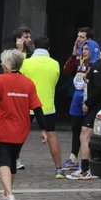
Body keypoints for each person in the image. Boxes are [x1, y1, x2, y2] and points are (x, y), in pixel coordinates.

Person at [0, 49, 43, 200]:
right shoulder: (28, 82)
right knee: (12, 162)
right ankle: (5, 194)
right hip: (21, 128)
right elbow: (37, 108)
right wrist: (44, 130)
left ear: (7, 64)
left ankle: (9, 194)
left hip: (3, 126)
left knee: (3, 161)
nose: (1, 64)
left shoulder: (0, 80)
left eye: (3, 61)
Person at [22, 36, 66, 176]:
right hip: (46, 105)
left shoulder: (26, 63)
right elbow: (55, 82)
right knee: (52, 135)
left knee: (18, 135)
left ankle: (9, 164)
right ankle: (59, 169)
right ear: (49, 49)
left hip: (27, 104)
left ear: (34, 47)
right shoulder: (55, 64)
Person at [64, 50, 101, 181]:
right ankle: (88, 168)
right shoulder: (93, 65)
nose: (84, 52)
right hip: (91, 106)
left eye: (87, 49)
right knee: (85, 134)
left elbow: (100, 88)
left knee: (85, 134)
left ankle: (85, 169)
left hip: (94, 107)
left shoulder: (97, 66)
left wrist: (88, 103)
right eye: (83, 49)